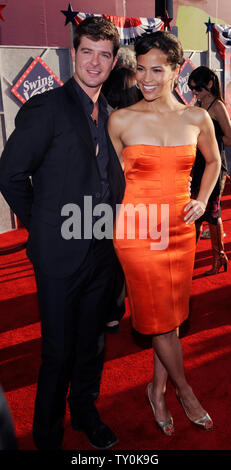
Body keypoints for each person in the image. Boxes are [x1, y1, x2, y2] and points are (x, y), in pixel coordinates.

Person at [0, 17, 125, 450]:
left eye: (104, 55)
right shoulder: (48, 106)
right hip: (58, 253)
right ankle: (47, 434)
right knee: (58, 351)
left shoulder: (111, 113)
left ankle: (85, 414)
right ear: (74, 54)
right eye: (88, 52)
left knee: (92, 344)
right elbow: (11, 174)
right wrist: (44, 227)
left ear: (112, 62)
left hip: (102, 251)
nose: (95, 62)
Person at [108, 31, 220, 436]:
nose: (147, 78)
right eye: (140, 69)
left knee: (167, 320)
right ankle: (185, 390)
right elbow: (108, 181)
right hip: (138, 232)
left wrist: (203, 200)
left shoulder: (197, 117)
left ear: (176, 69)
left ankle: (155, 389)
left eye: (157, 69)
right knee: (158, 319)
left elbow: (213, 160)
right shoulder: (120, 120)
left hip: (181, 230)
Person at [188, 66, 231, 274]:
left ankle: (218, 257)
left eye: (198, 89)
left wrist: (208, 141)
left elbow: (230, 138)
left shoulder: (217, 106)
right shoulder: (198, 103)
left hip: (215, 165)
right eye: (193, 89)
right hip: (198, 164)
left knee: (213, 211)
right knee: (196, 207)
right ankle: (193, 257)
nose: (195, 93)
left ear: (210, 84)